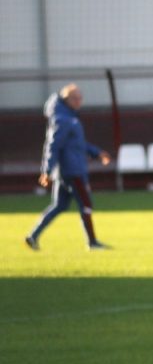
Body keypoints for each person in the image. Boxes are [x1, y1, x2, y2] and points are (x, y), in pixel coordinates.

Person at [25, 83, 112, 251]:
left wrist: (97, 153)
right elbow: (53, 146)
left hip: (66, 172)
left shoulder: (70, 117)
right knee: (86, 204)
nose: (79, 101)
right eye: (76, 98)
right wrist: (46, 170)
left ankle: (33, 236)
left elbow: (78, 144)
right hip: (73, 171)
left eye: (81, 98)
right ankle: (92, 243)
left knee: (59, 206)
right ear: (66, 99)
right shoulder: (63, 119)